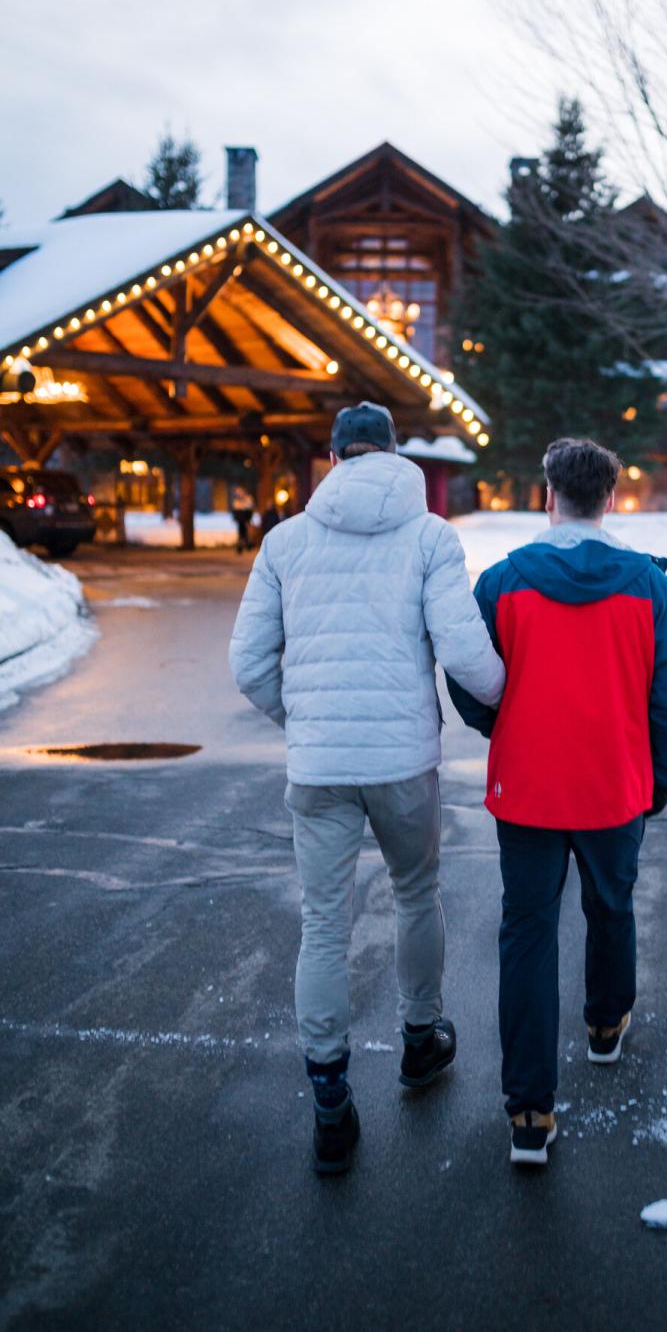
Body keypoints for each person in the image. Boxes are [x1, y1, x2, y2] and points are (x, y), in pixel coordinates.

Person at [229, 402, 505, 1175]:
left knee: (324, 922)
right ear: (391, 452)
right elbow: (464, 653)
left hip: (317, 768)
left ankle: (330, 1101)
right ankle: (420, 1042)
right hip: (403, 762)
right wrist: (506, 696)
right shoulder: (429, 537)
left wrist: (304, 718)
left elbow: (247, 663)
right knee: (417, 893)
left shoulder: (284, 541)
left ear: (335, 459)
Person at [448, 437, 667, 1167]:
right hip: (615, 782)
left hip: (528, 784)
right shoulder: (648, 586)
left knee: (526, 931)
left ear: (547, 495)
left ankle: (529, 1110)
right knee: (611, 906)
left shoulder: (501, 582)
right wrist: (662, 774)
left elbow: (467, 678)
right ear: (611, 499)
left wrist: (506, 721)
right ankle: (606, 1023)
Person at [231, 485, 255, 553]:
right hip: (240, 519)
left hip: (246, 518)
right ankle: (242, 545)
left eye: (240, 492)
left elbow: (249, 507)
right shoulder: (237, 501)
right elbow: (235, 508)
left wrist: (242, 505)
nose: (238, 494)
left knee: (246, 531)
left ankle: (247, 544)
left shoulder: (248, 498)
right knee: (242, 532)